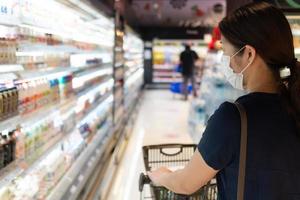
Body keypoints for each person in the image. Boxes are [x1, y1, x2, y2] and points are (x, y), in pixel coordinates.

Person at [148, 2, 300, 200]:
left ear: (248, 54)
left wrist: (163, 177)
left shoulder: (234, 117)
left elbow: (186, 184)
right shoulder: (294, 104)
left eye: (227, 53)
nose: (226, 63)